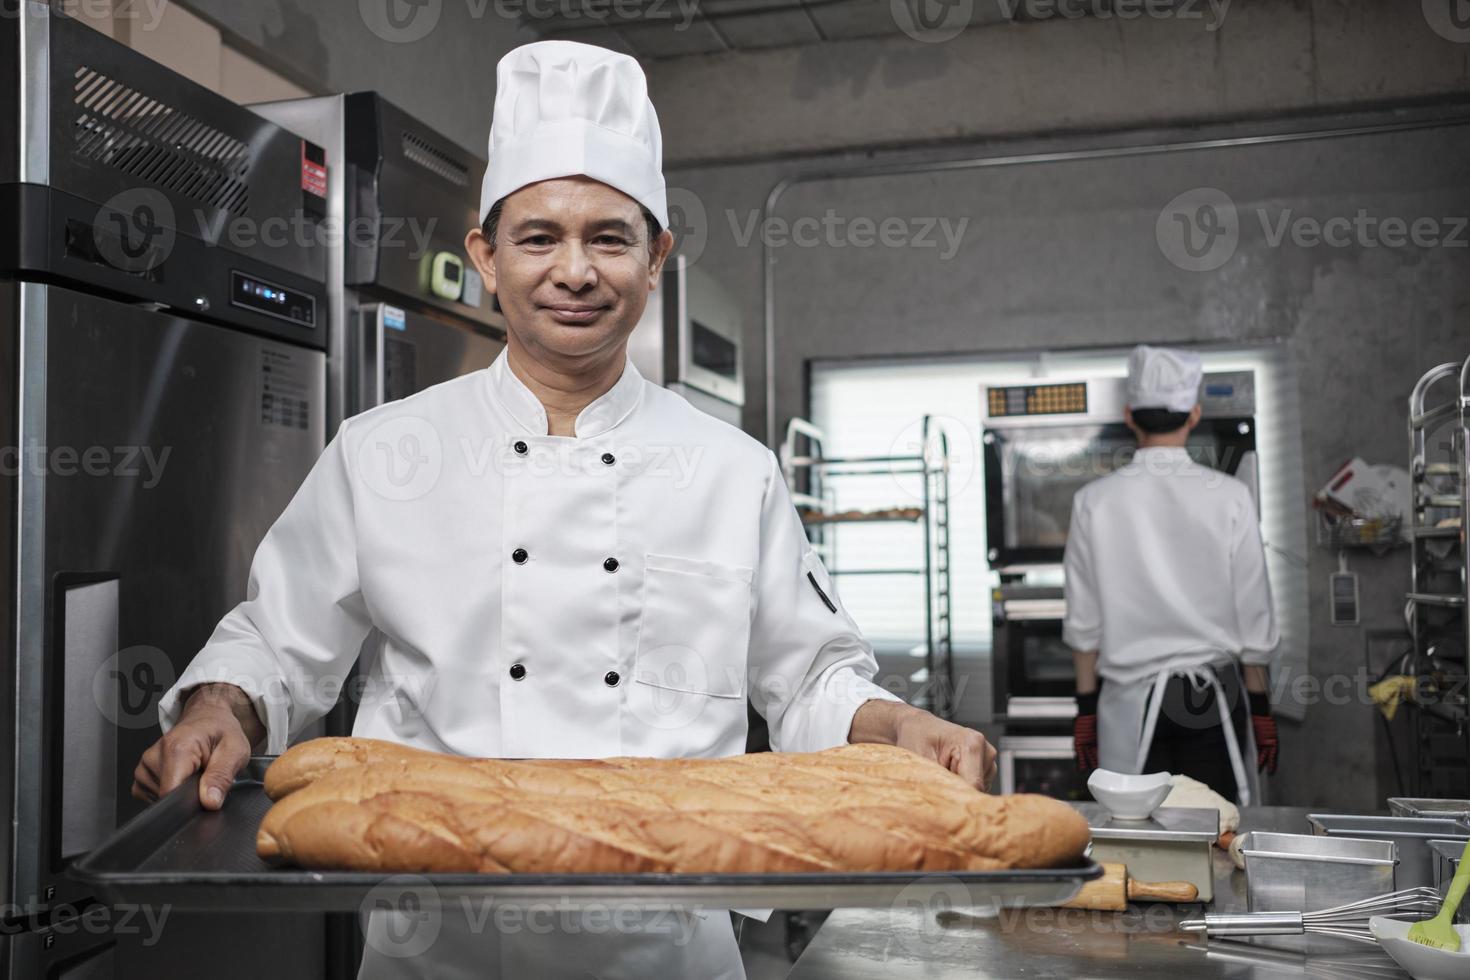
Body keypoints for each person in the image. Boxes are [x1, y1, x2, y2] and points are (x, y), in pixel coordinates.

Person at [130, 39, 996, 979]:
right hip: (439, 950)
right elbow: (276, 641)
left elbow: (810, 676)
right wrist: (219, 708)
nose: (574, 271)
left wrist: (899, 726)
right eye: (538, 236)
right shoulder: (383, 453)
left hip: (665, 951)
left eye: (610, 237)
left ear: (656, 258)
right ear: (486, 258)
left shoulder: (729, 469)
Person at [1063, 345, 1279, 805]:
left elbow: (1084, 623)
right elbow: (1254, 613)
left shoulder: (1093, 501)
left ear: (1129, 416)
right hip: (1211, 703)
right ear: (1194, 414)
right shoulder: (1231, 496)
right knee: (1217, 834)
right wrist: (1261, 708)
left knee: (1135, 839)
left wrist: (1084, 710)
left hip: (1127, 705)